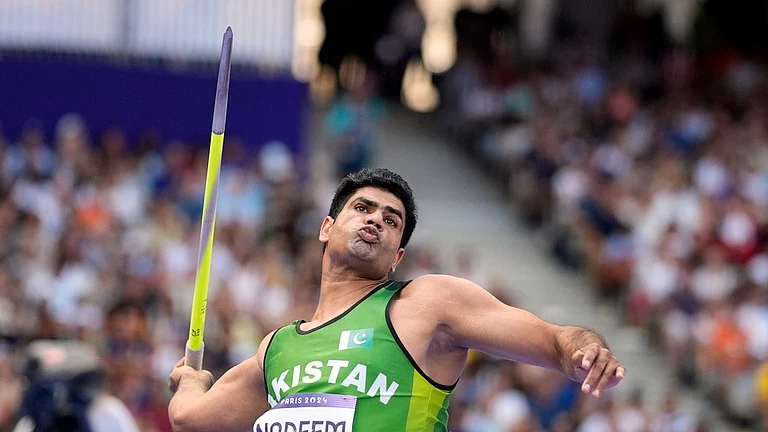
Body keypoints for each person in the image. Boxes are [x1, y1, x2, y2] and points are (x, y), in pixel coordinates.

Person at [168, 168, 626, 431]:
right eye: (362, 208)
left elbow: (552, 341)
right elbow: (190, 418)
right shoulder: (278, 347)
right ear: (327, 228)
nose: (375, 221)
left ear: (397, 257)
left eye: (391, 220)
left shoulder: (424, 304)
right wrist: (191, 379)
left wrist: (581, 349)